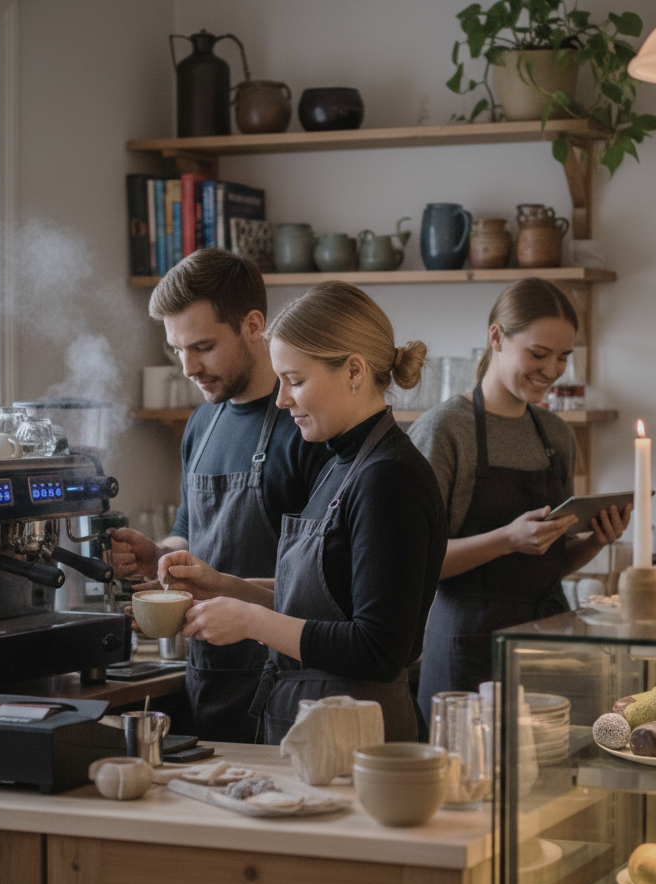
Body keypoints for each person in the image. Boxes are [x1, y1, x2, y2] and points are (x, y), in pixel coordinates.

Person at [156, 281, 448, 744]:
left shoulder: (390, 478)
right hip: (322, 726)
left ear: (354, 370)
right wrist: (223, 586)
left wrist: (250, 621)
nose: (281, 399)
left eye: (294, 381)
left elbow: (377, 648)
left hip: (361, 738)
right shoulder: (342, 463)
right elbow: (321, 604)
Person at [110, 249, 332, 744]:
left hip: (287, 683)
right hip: (208, 675)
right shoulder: (202, 423)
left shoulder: (306, 427)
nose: (188, 367)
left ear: (253, 325)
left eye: (203, 347)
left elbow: (324, 586)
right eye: (177, 350)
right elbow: (189, 531)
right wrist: (157, 557)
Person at [408, 278, 630, 726]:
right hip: (467, 646)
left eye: (563, 356)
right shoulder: (444, 430)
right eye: (539, 353)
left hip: (546, 641)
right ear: (496, 337)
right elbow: (414, 563)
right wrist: (507, 539)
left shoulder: (556, 435)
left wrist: (594, 541)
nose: (552, 369)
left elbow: (543, 566)